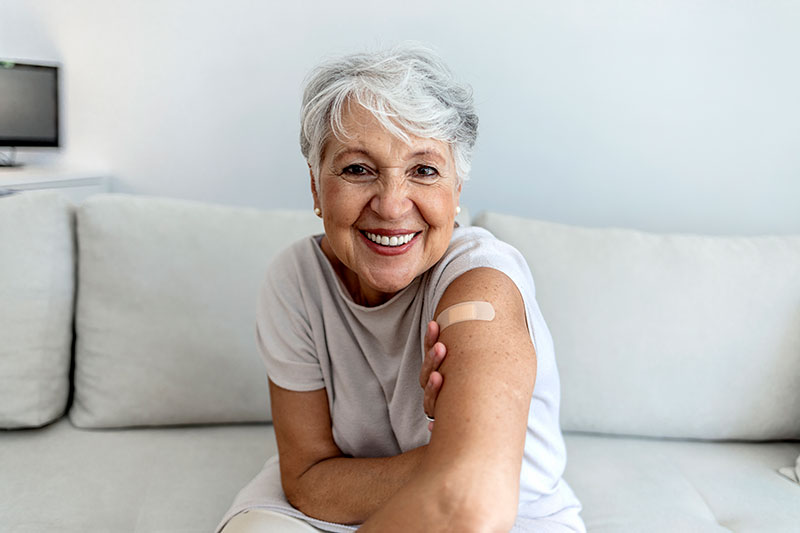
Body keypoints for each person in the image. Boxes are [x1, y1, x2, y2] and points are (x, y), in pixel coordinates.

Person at [216, 43, 585, 533]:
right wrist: (450, 455)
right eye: (357, 169)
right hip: (334, 510)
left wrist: (460, 464)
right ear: (315, 189)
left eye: (424, 170)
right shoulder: (296, 280)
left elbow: (470, 503)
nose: (391, 206)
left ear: (456, 193)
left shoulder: (480, 285)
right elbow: (307, 480)